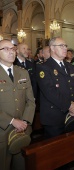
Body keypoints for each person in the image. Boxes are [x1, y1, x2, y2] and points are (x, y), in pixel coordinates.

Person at [36, 37, 74, 138]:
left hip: (72, 114)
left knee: (70, 147)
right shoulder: (44, 67)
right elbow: (50, 92)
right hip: (54, 117)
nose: (65, 48)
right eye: (61, 46)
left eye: (65, 46)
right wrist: (69, 106)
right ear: (52, 48)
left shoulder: (69, 66)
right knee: (56, 150)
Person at [0, 39, 35, 170]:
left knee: (21, 165)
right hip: (2, 130)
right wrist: (12, 121)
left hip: (22, 130)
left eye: (13, 49)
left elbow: (30, 100)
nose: (11, 52)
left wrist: (25, 121)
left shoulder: (23, 72)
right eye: (6, 49)